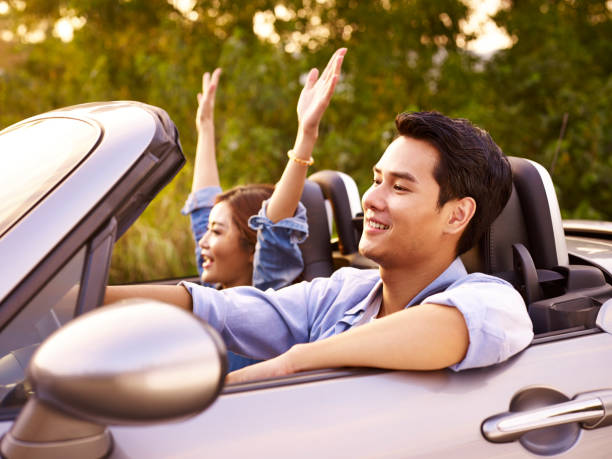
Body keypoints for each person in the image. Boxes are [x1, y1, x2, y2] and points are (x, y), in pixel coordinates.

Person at [106, 55, 533, 384]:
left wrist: (293, 363)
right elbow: (219, 307)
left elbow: (449, 325)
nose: (371, 199)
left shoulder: (493, 301)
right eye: (376, 180)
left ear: (457, 215)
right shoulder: (344, 294)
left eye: (399, 188)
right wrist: (83, 295)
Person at [183, 47, 346, 292]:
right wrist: (205, 127)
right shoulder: (216, 285)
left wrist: (306, 134)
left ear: (252, 249)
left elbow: (274, 227)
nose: (202, 242)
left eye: (216, 231)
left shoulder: (264, 296)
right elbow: (201, 207)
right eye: (209, 230)